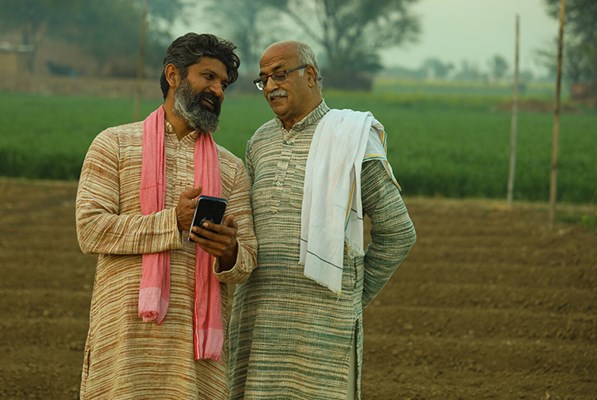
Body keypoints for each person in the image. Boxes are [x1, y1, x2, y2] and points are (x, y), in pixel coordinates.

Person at [228, 41, 417, 400]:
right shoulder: (259, 142)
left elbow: (398, 232)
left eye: (280, 74)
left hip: (324, 325)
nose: (270, 87)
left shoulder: (351, 139)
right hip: (259, 316)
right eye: (263, 79)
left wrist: (353, 297)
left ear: (311, 76)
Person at [75, 33, 257, 400]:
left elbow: (246, 261)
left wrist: (229, 251)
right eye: (208, 77)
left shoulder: (231, 168)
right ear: (173, 75)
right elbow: (90, 230)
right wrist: (171, 222)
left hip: (194, 351)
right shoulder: (114, 144)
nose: (218, 91)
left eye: (223, 84)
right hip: (124, 338)